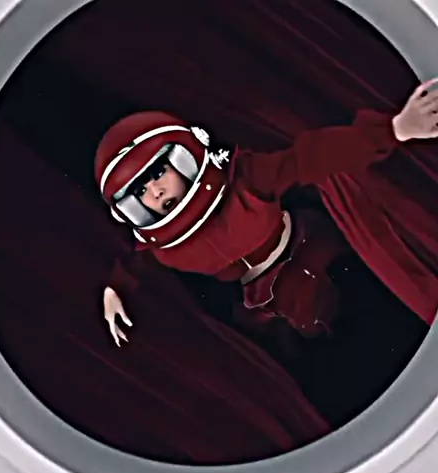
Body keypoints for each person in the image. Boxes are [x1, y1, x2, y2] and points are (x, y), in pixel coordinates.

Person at [95, 79, 438, 347]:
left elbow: (311, 157)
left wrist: (394, 130)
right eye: (139, 191)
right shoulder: (165, 249)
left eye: (158, 172)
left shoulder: (247, 179)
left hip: (322, 251)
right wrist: (114, 290)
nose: (155, 191)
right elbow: (137, 259)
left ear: (183, 156)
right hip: (271, 303)